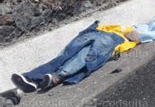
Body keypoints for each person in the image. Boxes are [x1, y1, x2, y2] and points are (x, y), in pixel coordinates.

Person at [11, 22, 141, 93]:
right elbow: (132, 35)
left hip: (104, 36)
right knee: (70, 55)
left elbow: (133, 39)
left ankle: (50, 77)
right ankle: (32, 79)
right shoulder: (124, 30)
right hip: (102, 34)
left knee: (81, 56)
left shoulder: (126, 40)